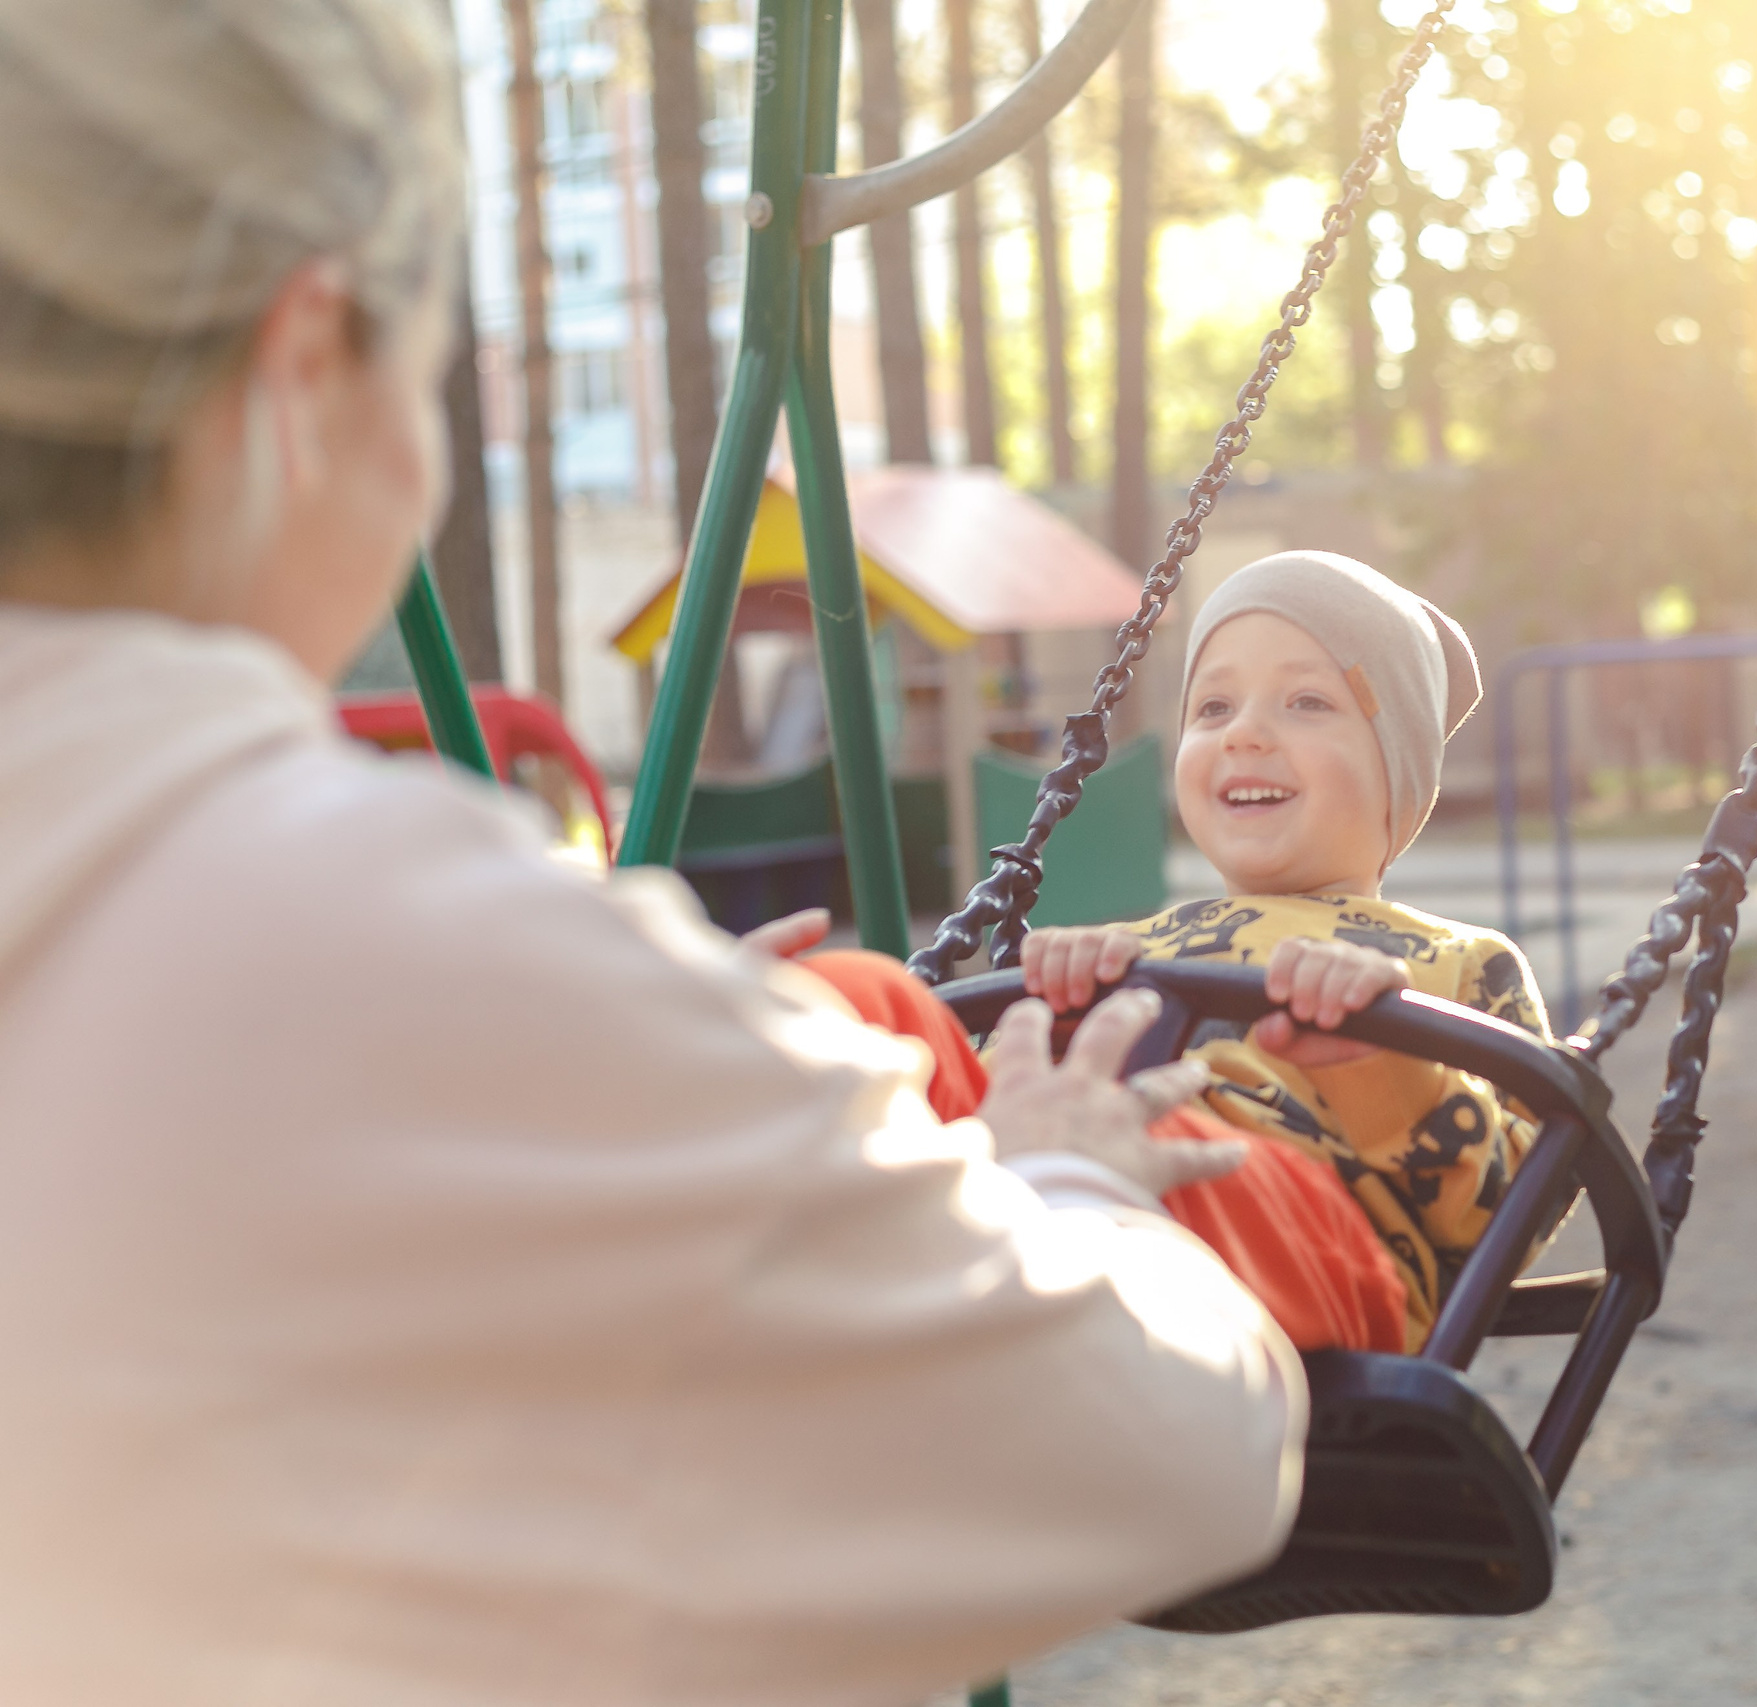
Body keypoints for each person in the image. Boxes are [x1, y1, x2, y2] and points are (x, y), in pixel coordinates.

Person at [0, 4, 1303, 1702]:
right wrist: (1055, 1171)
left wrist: (645, 1073)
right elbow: (1170, 1444)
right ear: (307, 360)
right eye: (434, 360)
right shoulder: (374, 933)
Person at [1022, 551, 1553, 1354]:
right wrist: (1052, 1024)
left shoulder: (1458, 962)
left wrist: (1376, 1056)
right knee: (871, 1004)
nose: (1244, 733)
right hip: (1088, 1182)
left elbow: (1513, 1216)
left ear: (1398, 770)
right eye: (1212, 707)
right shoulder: (1129, 945)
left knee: (1084, 1154)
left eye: (1308, 701)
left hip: (1304, 1248)